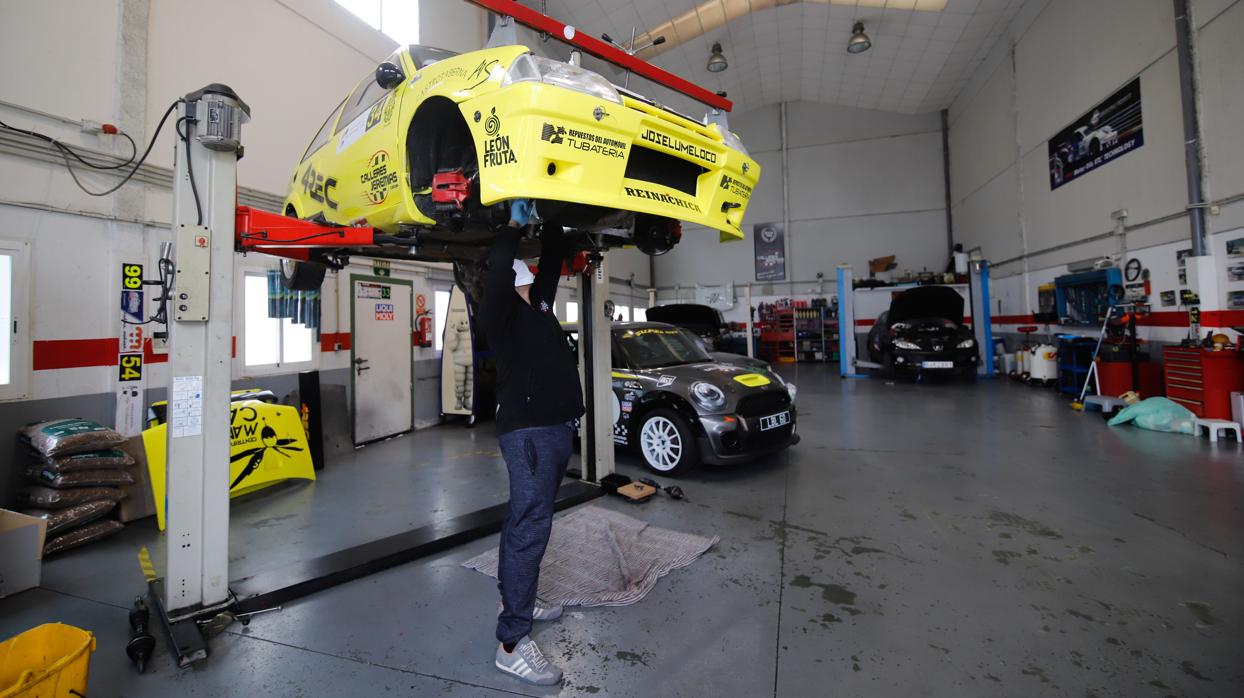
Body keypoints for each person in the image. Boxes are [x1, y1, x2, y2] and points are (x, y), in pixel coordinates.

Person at [477, 199, 584, 686]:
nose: (534, 279)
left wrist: (555, 211)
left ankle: (512, 596)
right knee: (529, 529)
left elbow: (556, 258)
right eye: (525, 274)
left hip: (555, 430)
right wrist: (515, 225)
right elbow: (500, 267)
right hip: (531, 435)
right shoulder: (499, 313)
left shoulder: (537, 306)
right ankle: (512, 642)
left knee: (522, 519)